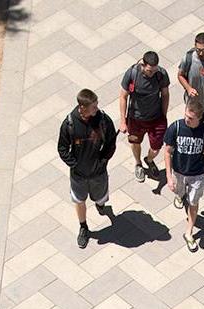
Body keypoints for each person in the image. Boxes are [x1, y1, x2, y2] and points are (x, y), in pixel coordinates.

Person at [57, 89, 117, 249]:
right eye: (93, 106)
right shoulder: (69, 124)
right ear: (82, 107)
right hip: (79, 175)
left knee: (101, 197)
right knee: (79, 200)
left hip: (99, 172)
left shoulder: (103, 120)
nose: (97, 108)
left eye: (96, 105)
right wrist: (74, 164)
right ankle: (83, 227)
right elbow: (62, 148)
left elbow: (111, 142)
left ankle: (100, 204)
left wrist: (103, 160)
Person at [164, 97, 204, 252]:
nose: (187, 119)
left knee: (193, 202)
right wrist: (168, 176)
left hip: (197, 174)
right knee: (179, 192)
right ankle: (180, 196)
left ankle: (189, 232)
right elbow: (167, 152)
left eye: (191, 118)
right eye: (186, 115)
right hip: (179, 172)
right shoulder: (176, 127)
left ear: (199, 118)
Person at [119, 51, 170, 182]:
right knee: (135, 142)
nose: (152, 73)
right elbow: (123, 97)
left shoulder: (161, 74)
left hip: (156, 118)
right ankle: (138, 163)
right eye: (149, 71)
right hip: (136, 118)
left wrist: (164, 115)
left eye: (154, 70)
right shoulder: (132, 74)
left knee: (156, 147)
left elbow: (165, 94)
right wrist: (123, 121)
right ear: (143, 65)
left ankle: (149, 159)